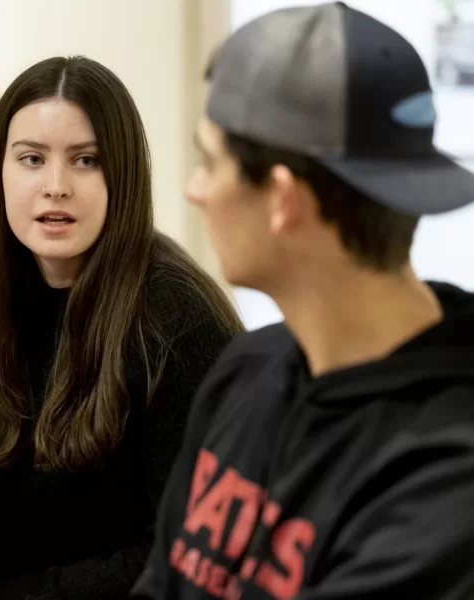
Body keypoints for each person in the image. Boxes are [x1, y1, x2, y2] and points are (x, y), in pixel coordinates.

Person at [132, 4, 474, 599]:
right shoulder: (245, 373)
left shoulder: (446, 482)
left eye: (209, 162)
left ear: (282, 200)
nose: (194, 190)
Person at [0, 55, 244, 600]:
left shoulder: (174, 319)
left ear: (124, 175)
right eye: (31, 159)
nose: (56, 186)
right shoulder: (7, 280)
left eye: (86, 160)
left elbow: (186, 558)